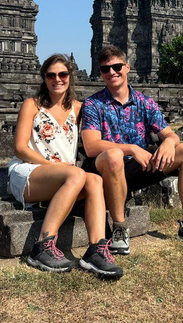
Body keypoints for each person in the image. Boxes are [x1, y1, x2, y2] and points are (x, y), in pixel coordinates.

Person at [80, 45, 183, 255]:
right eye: (105, 69)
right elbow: (91, 147)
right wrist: (131, 148)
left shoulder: (144, 102)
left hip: (141, 166)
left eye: (116, 66)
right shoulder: (93, 104)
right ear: (100, 73)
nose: (112, 72)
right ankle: (119, 227)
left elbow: (171, 135)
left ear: (127, 67)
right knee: (113, 155)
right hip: (106, 169)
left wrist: (168, 142)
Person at [8, 54, 123, 278]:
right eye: (51, 75)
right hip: (29, 173)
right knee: (77, 174)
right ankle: (42, 246)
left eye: (62, 74)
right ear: (44, 78)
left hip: (67, 178)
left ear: (70, 77)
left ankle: (96, 250)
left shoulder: (79, 109)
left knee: (95, 180)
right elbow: (20, 149)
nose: (57, 79)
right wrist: (54, 167)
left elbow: (101, 131)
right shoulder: (32, 105)